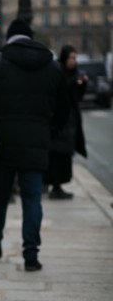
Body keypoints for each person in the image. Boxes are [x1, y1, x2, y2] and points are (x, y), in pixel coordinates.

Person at [0, 19, 69, 272]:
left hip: (2, 141)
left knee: (0, 195)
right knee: (33, 197)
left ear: (10, 37)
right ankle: (31, 254)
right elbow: (64, 109)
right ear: (31, 37)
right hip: (37, 142)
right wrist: (49, 130)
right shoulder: (52, 65)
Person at [45, 45, 88, 200]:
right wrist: (73, 83)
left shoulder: (75, 73)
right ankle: (54, 186)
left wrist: (82, 85)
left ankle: (56, 185)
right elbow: (60, 93)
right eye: (71, 57)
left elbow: (77, 97)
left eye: (75, 58)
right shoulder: (58, 71)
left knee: (63, 154)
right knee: (56, 154)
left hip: (70, 120)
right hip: (60, 119)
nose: (73, 61)